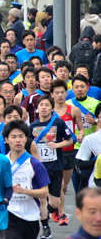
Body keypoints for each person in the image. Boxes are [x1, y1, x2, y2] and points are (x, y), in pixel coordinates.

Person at [29, 95, 73, 239]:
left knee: (54, 202)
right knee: (42, 199)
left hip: (55, 166)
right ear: (37, 108)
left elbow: (69, 140)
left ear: (52, 108)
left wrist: (57, 145)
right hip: (39, 168)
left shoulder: (58, 123)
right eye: (41, 105)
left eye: (47, 105)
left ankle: (50, 210)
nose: (43, 107)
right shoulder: (32, 126)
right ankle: (46, 228)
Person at [3, 120, 50, 239]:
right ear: (6, 139)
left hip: (30, 217)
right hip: (8, 215)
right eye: (13, 137)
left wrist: (25, 191)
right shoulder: (1, 163)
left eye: (21, 136)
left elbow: (45, 192)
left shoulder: (35, 164)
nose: (17, 140)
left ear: (26, 139)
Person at [51, 79, 84, 226]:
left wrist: (81, 135)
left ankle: (56, 207)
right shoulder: (49, 110)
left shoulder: (74, 110)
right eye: (56, 93)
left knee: (64, 186)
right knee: (59, 185)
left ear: (66, 93)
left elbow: (81, 128)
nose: (59, 95)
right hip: (54, 153)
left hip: (70, 151)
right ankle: (61, 213)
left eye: (62, 92)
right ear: (52, 94)